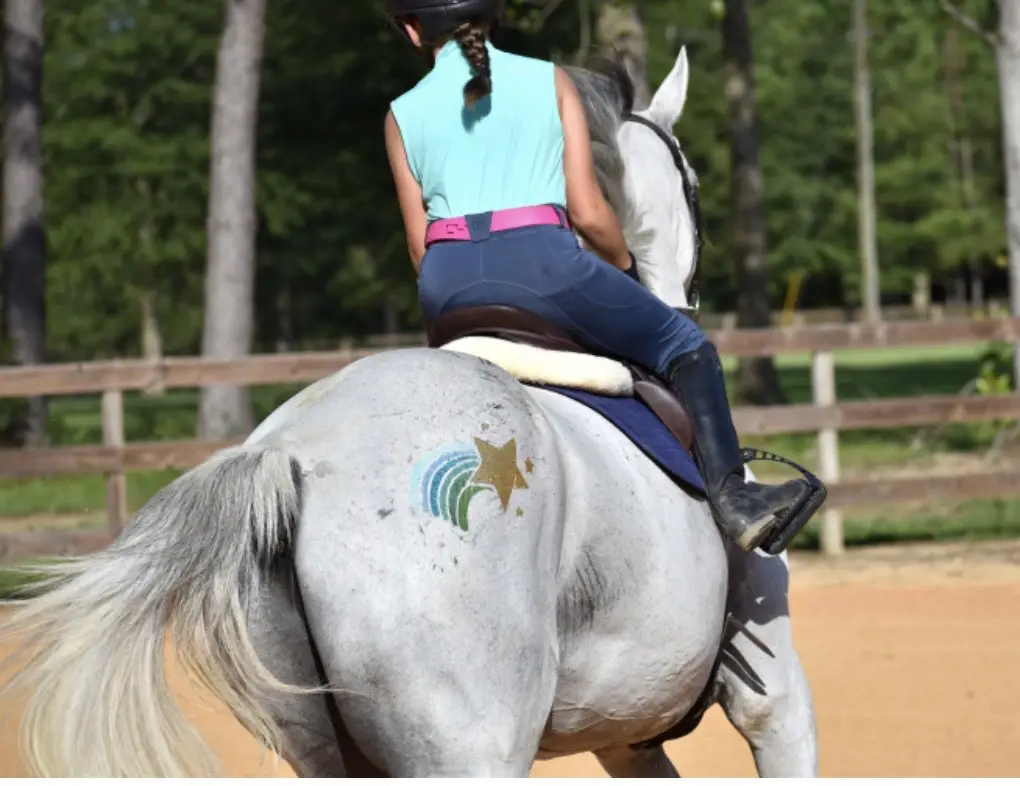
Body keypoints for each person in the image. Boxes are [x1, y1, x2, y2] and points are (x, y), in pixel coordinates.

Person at [382, 0, 818, 553]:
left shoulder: (399, 114)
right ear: (492, 16)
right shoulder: (550, 82)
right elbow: (588, 212)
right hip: (542, 265)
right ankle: (736, 501)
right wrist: (622, 266)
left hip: (447, 285)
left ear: (414, 30)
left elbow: (420, 249)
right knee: (687, 346)